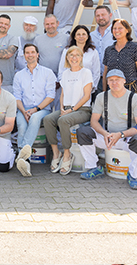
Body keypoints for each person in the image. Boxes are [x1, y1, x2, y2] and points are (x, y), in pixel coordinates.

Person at [77, 69, 137, 190]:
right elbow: (94, 121)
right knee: (83, 132)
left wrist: (121, 134)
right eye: (111, 80)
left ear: (124, 81)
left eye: (117, 80)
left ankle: (133, 175)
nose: (114, 83)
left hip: (127, 139)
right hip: (107, 137)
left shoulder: (134, 98)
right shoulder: (102, 97)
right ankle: (94, 168)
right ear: (107, 82)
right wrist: (105, 133)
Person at [43, 46, 93, 176]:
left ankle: (67, 154)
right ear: (67, 58)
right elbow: (63, 94)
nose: (74, 58)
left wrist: (71, 109)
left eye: (77, 55)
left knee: (63, 121)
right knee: (48, 119)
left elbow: (86, 96)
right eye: (71, 55)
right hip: (66, 109)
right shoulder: (65, 73)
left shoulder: (86, 72)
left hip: (82, 110)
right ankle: (56, 153)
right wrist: (61, 108)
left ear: (81, 57)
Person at [13, 44, 56, 177]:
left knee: (35, 118)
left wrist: (35, 109)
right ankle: (24, 162)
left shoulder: (47, 72)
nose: (30, 55)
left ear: (37, 54)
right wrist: (24, 111)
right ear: (24, 56)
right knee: (21, 124)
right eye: (27, 53)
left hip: (42, 109)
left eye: (32, 52)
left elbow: (51, 96)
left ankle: (21, 155)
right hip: (23, 109)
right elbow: (17, 97)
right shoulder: (18, 75)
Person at [102, 18, 137, 94]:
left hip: (130, 91)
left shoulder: (135, 48)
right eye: (114, 28)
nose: (117, 31)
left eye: (120, 28)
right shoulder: (108, 50)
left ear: (127, 30)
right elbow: (105, 73)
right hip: (112, 92)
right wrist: (104, 92)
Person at [58, 25, 101, 91]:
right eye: (78, 34)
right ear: (74, 37)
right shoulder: (67, 50)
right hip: (69, 88)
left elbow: (96, 73)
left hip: (86, 89)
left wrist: (91, 88)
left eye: (83, 34)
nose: (81, 36)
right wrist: (65, 86)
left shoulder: (93, 52)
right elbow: (62, 70)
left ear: (87, 36)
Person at [89, 5, 115, 93]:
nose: (100, 18)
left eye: (103, 15)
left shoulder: (116, 33)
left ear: (110, 15)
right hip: (96, 78)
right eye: (98, 15)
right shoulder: (91, 36)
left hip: (113, 78)